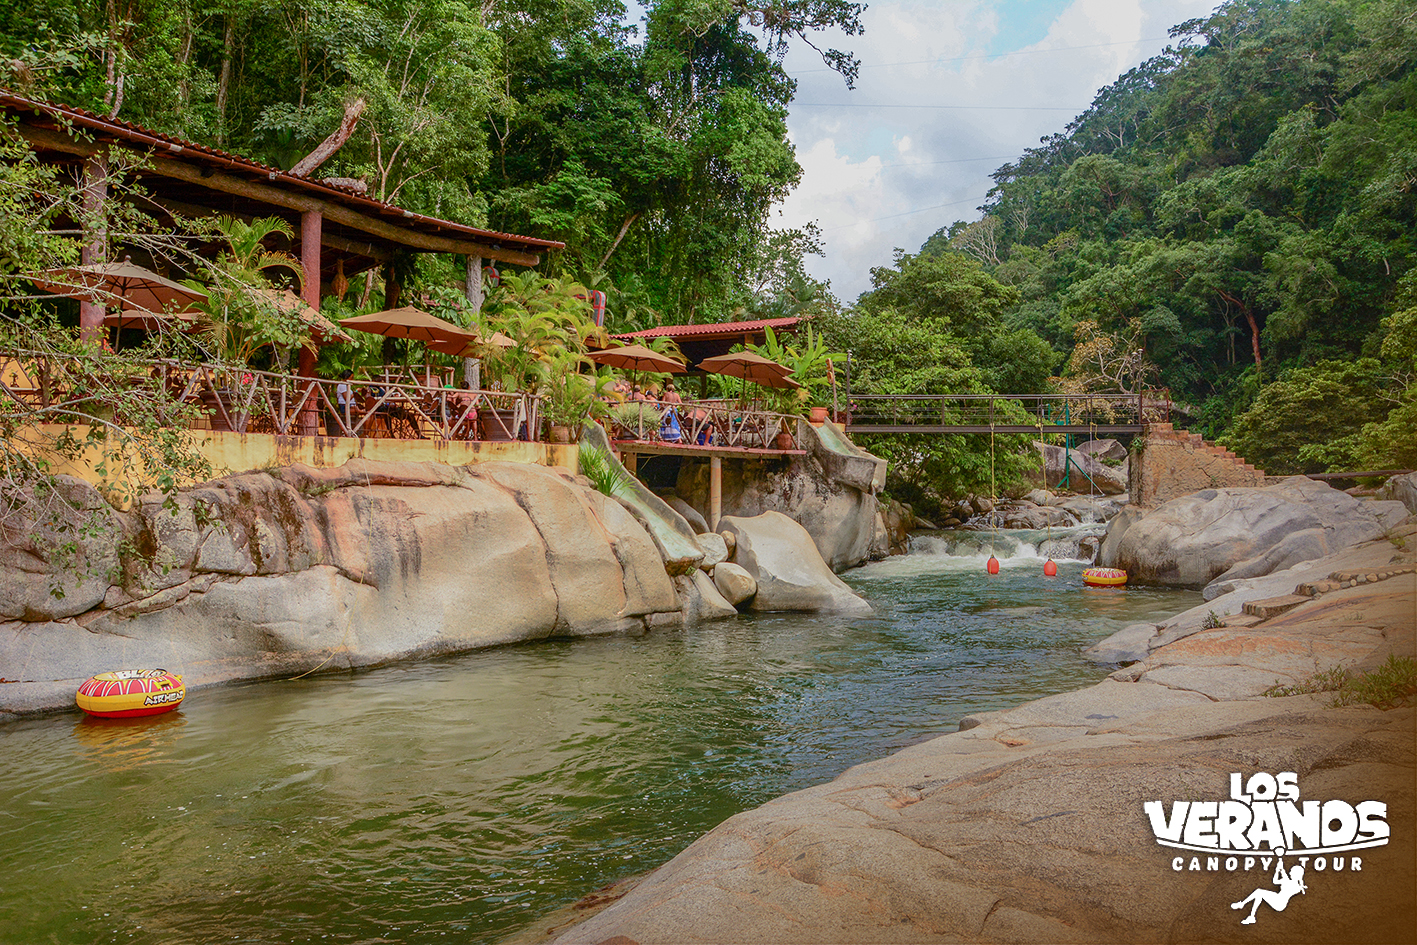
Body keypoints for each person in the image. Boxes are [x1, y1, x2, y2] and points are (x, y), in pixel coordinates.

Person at [1231, 855, 1306, 925]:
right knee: (1259, 894)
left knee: (1259, 891)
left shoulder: (1289, 883)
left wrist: (1278, 870)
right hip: (1279, 900)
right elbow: (1282, 879)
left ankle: (1243, 905)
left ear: (1296, 874)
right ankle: (1251, 916)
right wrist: (1280, 869)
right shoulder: (1297, 887)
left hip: (1279, 902)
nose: (1290, 872)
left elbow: (1276, 881)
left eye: (1291, 871)